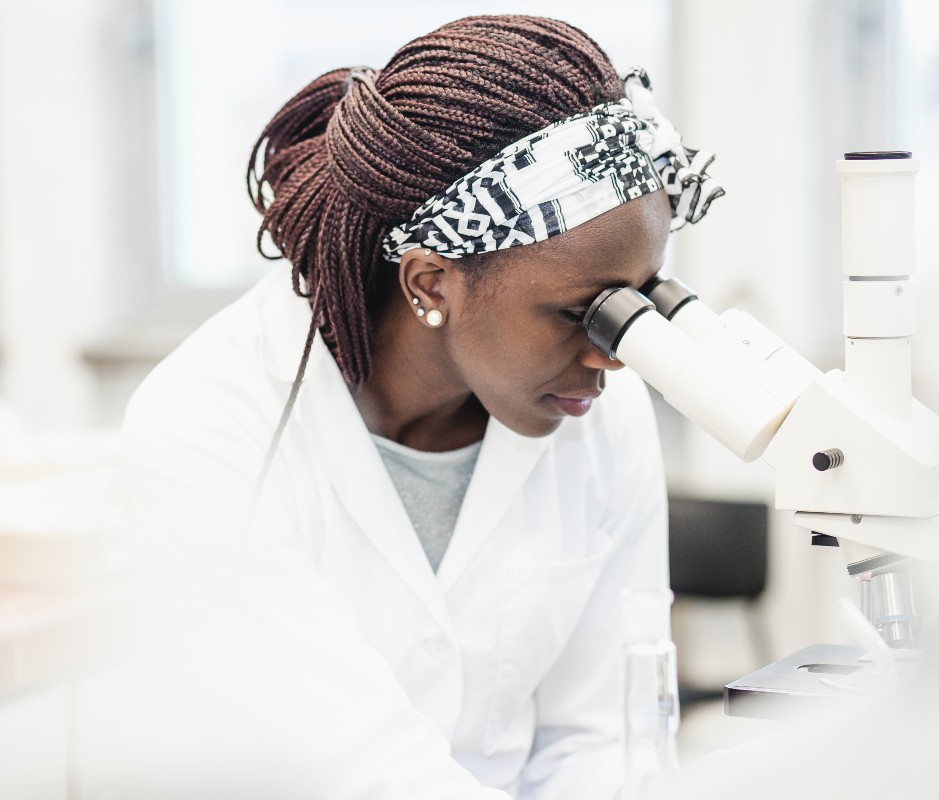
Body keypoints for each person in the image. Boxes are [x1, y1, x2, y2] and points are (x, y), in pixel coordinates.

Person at [118, 14, 722, 800]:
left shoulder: (604, 414)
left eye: (637, 304)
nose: (610, 354)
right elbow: (357, 768)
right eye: (582, 312)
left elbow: (601, 736)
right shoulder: (205, 425)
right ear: (431, 281)